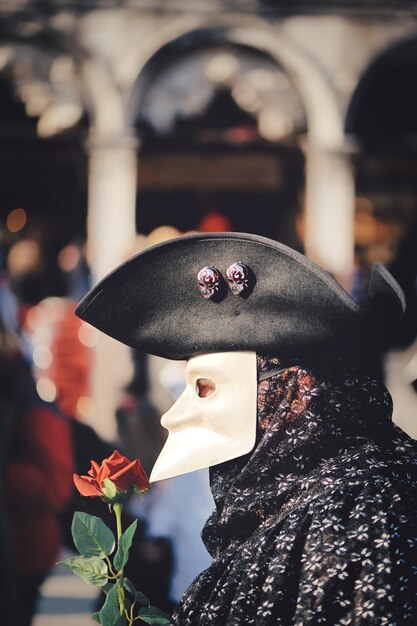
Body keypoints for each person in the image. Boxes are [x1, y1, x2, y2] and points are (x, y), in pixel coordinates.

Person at [76, 232, 417, 625]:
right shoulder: (281, 492)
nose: (172, 415)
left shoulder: (359, 515)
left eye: (204, 387)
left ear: (292, 390)